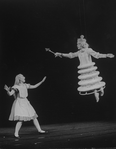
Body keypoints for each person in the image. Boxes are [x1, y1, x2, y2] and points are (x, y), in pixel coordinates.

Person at [45, 35, 114, 102]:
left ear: (82, 44)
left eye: (78, 44)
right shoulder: (78, 52)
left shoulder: (88, 50)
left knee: (94, 80)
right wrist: (60, 54)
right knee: (88, 82)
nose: (77, 45)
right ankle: (96, 92)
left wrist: (106, 55)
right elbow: (71, 55)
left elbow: (97, 55)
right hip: (84, 69)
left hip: (89, 68)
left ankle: (100, 89)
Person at [4, 74, 46, 138]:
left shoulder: (25, 85)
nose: (24, 77)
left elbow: (34, 86)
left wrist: (42, 81)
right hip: (19, 103)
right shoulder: (16, 87)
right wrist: (7, 90)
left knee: (34, 116)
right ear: (19, 79)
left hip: (25, 102)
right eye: (23, 77)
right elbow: (10, 94)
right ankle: (16, 133)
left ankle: (39, 130)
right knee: (21, 119)